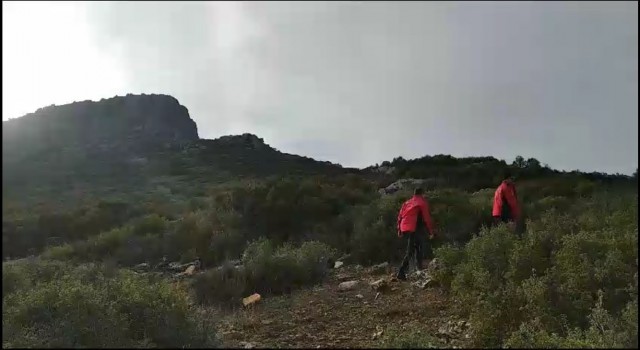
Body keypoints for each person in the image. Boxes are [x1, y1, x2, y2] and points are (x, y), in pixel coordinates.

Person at [396, 187, 435, 280]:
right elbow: (427, 218)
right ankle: (401, 271)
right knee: (411, 251)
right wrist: (431, 232)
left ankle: (419, 268)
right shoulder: (422, 202)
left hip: (405, 227)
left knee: (418, 246)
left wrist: (399, 230)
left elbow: (400, 216)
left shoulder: (407, 202)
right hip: (413, 228)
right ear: (422, 193)